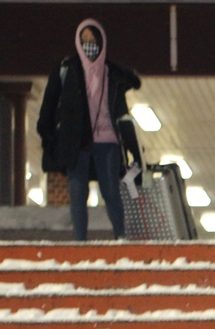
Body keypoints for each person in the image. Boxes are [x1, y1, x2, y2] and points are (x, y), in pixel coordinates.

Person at [37, 19, 143, 241]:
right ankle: (80, 242)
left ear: (101, 42)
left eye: (93, 40)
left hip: (108, 141)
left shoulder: (111, 74)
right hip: (78, 141)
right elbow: (48, 106)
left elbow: (123, 116)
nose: (89, 45)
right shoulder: (67, 70)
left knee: (111, 191)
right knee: (77, 193)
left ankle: (121, 237)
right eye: (84, 40)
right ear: (77, 42)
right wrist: (49, 137)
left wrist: (133, 150)